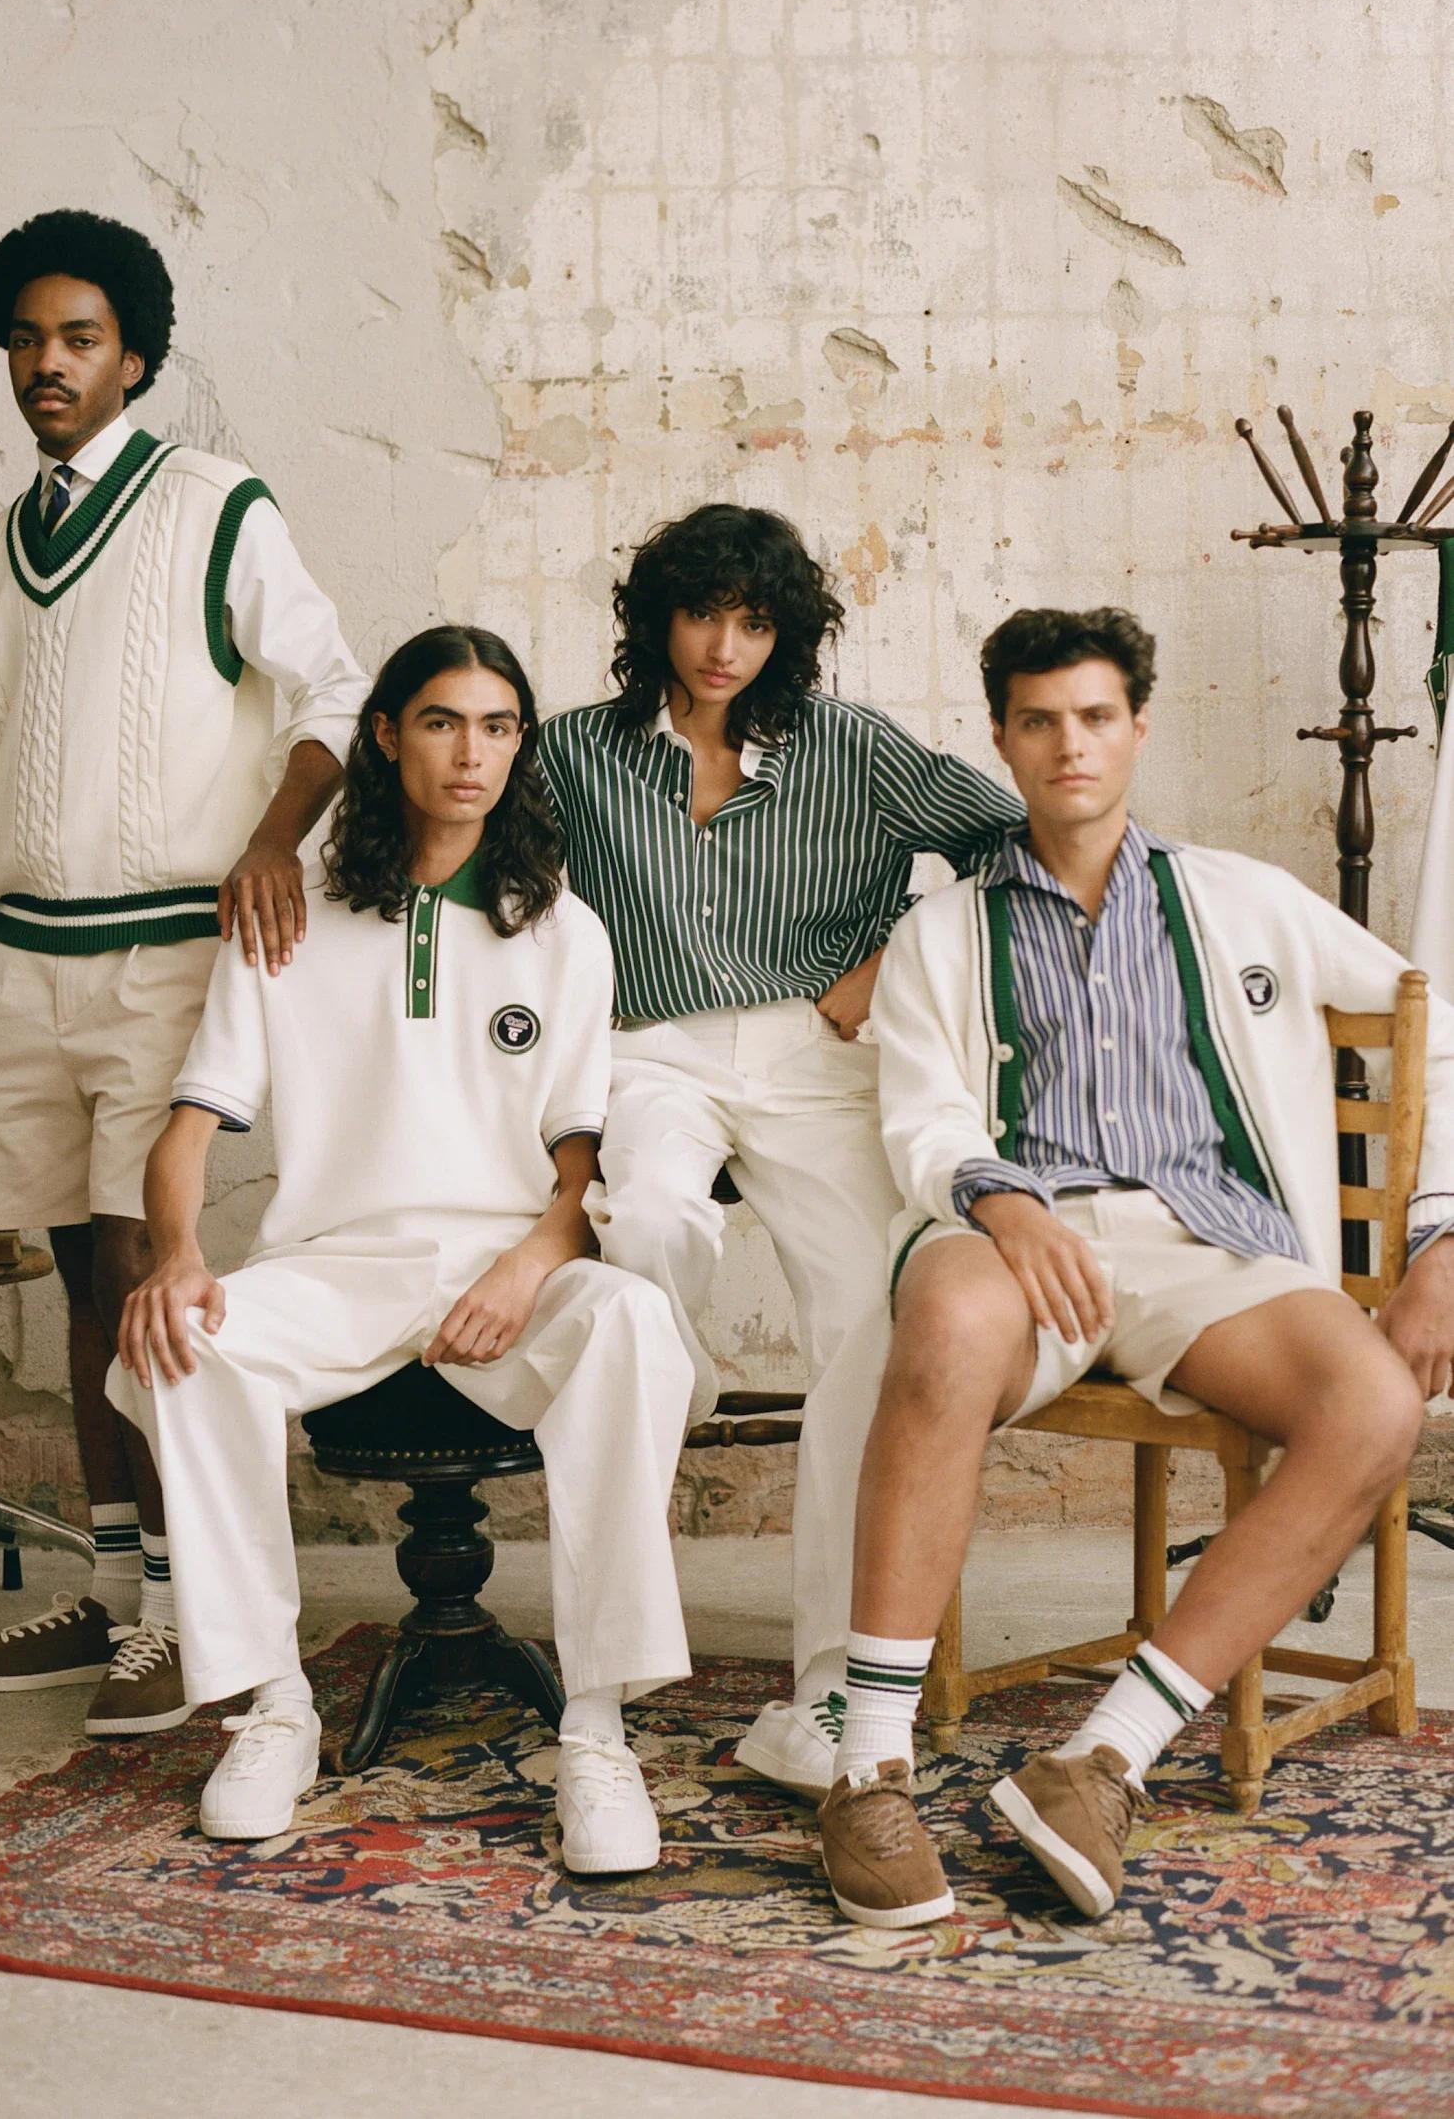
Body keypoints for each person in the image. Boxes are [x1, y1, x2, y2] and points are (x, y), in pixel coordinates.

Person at [817, 604, 1453, 1929]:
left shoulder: (1239, 896)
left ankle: (1102, 1759)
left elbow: (1430, 1024)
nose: (1071, 745)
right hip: (1018, 1237)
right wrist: (1005, 1204)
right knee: (945, 1317)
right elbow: (926, 1120)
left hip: (1204, 1244)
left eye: (1096, 717)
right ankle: (866, 1769)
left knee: (1376, 1404)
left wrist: (1441, 1239)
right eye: (1040, 721)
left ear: (1138, 728)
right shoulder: (947, 929)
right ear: (1003, 739)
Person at [106, 627, 696, 1865]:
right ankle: (272, 1706)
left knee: (636, 1321)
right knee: (177, 1343)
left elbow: (579, 1161)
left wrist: (530, 1263)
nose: (470, 752)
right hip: (336, 1265)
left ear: (519, 746)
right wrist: (176, 1255)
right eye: (441, 721)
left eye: (497, 726)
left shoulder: (564, 932)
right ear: (385, 735)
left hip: (506, 1266)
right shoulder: (292, 922)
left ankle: (595, 1731)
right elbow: (188, 1127)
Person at [0, 210, 368, 1735]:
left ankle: (197, 1613)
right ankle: (119, 1589)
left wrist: (271, 844)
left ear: (135, 357)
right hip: (27, 963)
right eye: (27, 338)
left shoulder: (212, 507)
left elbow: (336, 693)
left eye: (81, 338)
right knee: (78, 1277)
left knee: (141, 1270)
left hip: (164, 952)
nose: (48, 364)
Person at [538, 505, 1020, 1799]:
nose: (723, 645)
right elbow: (493, 882)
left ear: (785, 634)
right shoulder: (575, 752)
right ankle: (673, 1371)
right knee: (648, 1222)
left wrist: (890, 961)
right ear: (657, 618)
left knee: (869, 1316)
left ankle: (834, 1682)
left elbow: (1013, 838)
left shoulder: (850, 747)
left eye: (753, 622)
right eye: (702, 614)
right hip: (651, 1050)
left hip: (815, 1053)